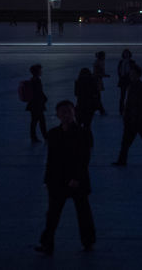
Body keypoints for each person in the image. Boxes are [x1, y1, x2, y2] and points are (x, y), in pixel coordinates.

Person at [35, 100, 95, 256]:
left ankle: (88, 241)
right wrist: (47, 180)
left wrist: (77, 178)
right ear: (58, 115)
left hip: (77, 180)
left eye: (68, 111)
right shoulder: (53, 134)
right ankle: (47, 243)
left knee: (83, 213)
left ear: (73, 112)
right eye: (62, 112)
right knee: (53, 214)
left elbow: (84, 159)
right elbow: (51, 159)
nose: (65, 115)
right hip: (57, 180)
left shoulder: (83, 133)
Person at [112, 63, 142, 166]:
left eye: (133, 74)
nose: (131, 75)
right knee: (126, 142)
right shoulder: (131, 86)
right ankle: (122, 160)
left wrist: (137, 108)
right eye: (130, 74)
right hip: (132, 119)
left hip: (140, 119)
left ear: (138, 75)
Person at [73, 68, 101, 132]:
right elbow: (96, 92)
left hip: (80, 105)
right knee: (87, 124)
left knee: (79, 123)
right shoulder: (92, 81)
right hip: (90, 105)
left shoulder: (78, 82)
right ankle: (87, 137)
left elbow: (76, 93)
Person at [27, 64, 48, 143]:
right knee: (40, 121)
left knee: (35, 121)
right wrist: (44, 98)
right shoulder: (36, 81)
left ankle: (35, 137)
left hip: (33, 104)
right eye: (40, 70)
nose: (41, 72)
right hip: (37, 105)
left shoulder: (32, 80)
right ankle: (44, 137)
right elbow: (38, 92)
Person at [116, 49, 133, 116]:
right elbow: (119, 71)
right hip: (123, 80)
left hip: (129, 80)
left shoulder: (132, 62)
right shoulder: (121, 62)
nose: (126, 54)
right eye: (125, 53)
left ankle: (129, 110)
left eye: (127, 53)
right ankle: (121, 110)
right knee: (122, 96)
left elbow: (133, 71)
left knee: (130, 96)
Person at [92, 51, 109, 116]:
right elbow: (97, 72)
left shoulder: (98, 62)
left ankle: (99, 109)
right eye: (104, 56)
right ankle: (101, 110)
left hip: (97, 80)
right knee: (97, 96)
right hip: (96, 80)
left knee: (97, 96)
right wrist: (104, 75)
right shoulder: (99, 62)